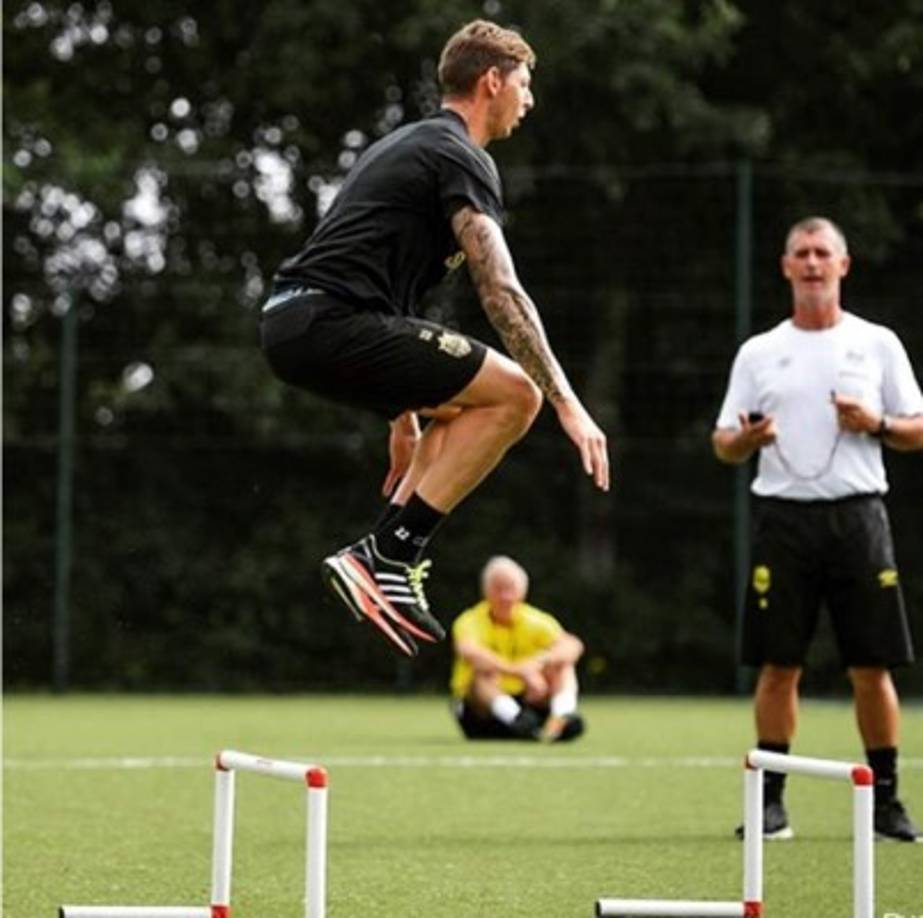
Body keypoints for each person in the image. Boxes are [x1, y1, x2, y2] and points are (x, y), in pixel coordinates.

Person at [259, 20, 608, 659]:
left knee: (466, 404)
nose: (529, 100)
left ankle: (382, 555)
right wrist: (567, 402)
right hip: (328, 319)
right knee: (516, 397)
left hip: (298, 322)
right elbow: (501, 291)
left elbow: (377, 280)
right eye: (524, 84)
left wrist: (404, 416)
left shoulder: (410, 145)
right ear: (492, 81)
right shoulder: (460, 156)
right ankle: (389, 552)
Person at [712, 216, 923, 842]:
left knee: (871, 665)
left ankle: (887, 801)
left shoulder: (877, 343)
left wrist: (875, 423)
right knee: (779, 666)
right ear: (785, 267)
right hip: (783, 519)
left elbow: (917, 426)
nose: (811, 264)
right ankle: (771, 803)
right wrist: (746, 439)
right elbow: (723, 442)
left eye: (821, 253)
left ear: (843, 265)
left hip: (859, 517)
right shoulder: (759, 351)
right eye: (800, 253)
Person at [449, 555, 585, 742]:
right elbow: (469, 652)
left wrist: (540, 662)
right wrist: (520, 672)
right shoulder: (470, 620)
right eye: (498, 589)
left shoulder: (536, 620)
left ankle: (561, 718)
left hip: (529, 702)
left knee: (562, 665)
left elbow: (573, 646)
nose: (505, 596)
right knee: (482, 673)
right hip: (482, 714)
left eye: (510, 588)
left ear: (523, 591)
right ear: (485, 591)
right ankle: (516, 719)